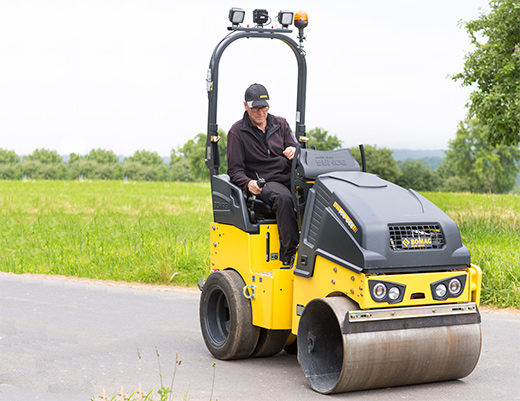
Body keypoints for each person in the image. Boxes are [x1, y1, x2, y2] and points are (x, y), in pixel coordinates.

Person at [227, 83, 299, 265]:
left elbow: (297, 148)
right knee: (283, 198)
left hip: (287, 175)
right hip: (264, 181)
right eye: (256, 108)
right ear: (246, 106)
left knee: (317, 190)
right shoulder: (237, 132)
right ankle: (291, 255)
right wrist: (248, 183)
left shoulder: (280, 124)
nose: (260, 113)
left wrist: (293, 149)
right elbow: (234, 170)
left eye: (264, 108)